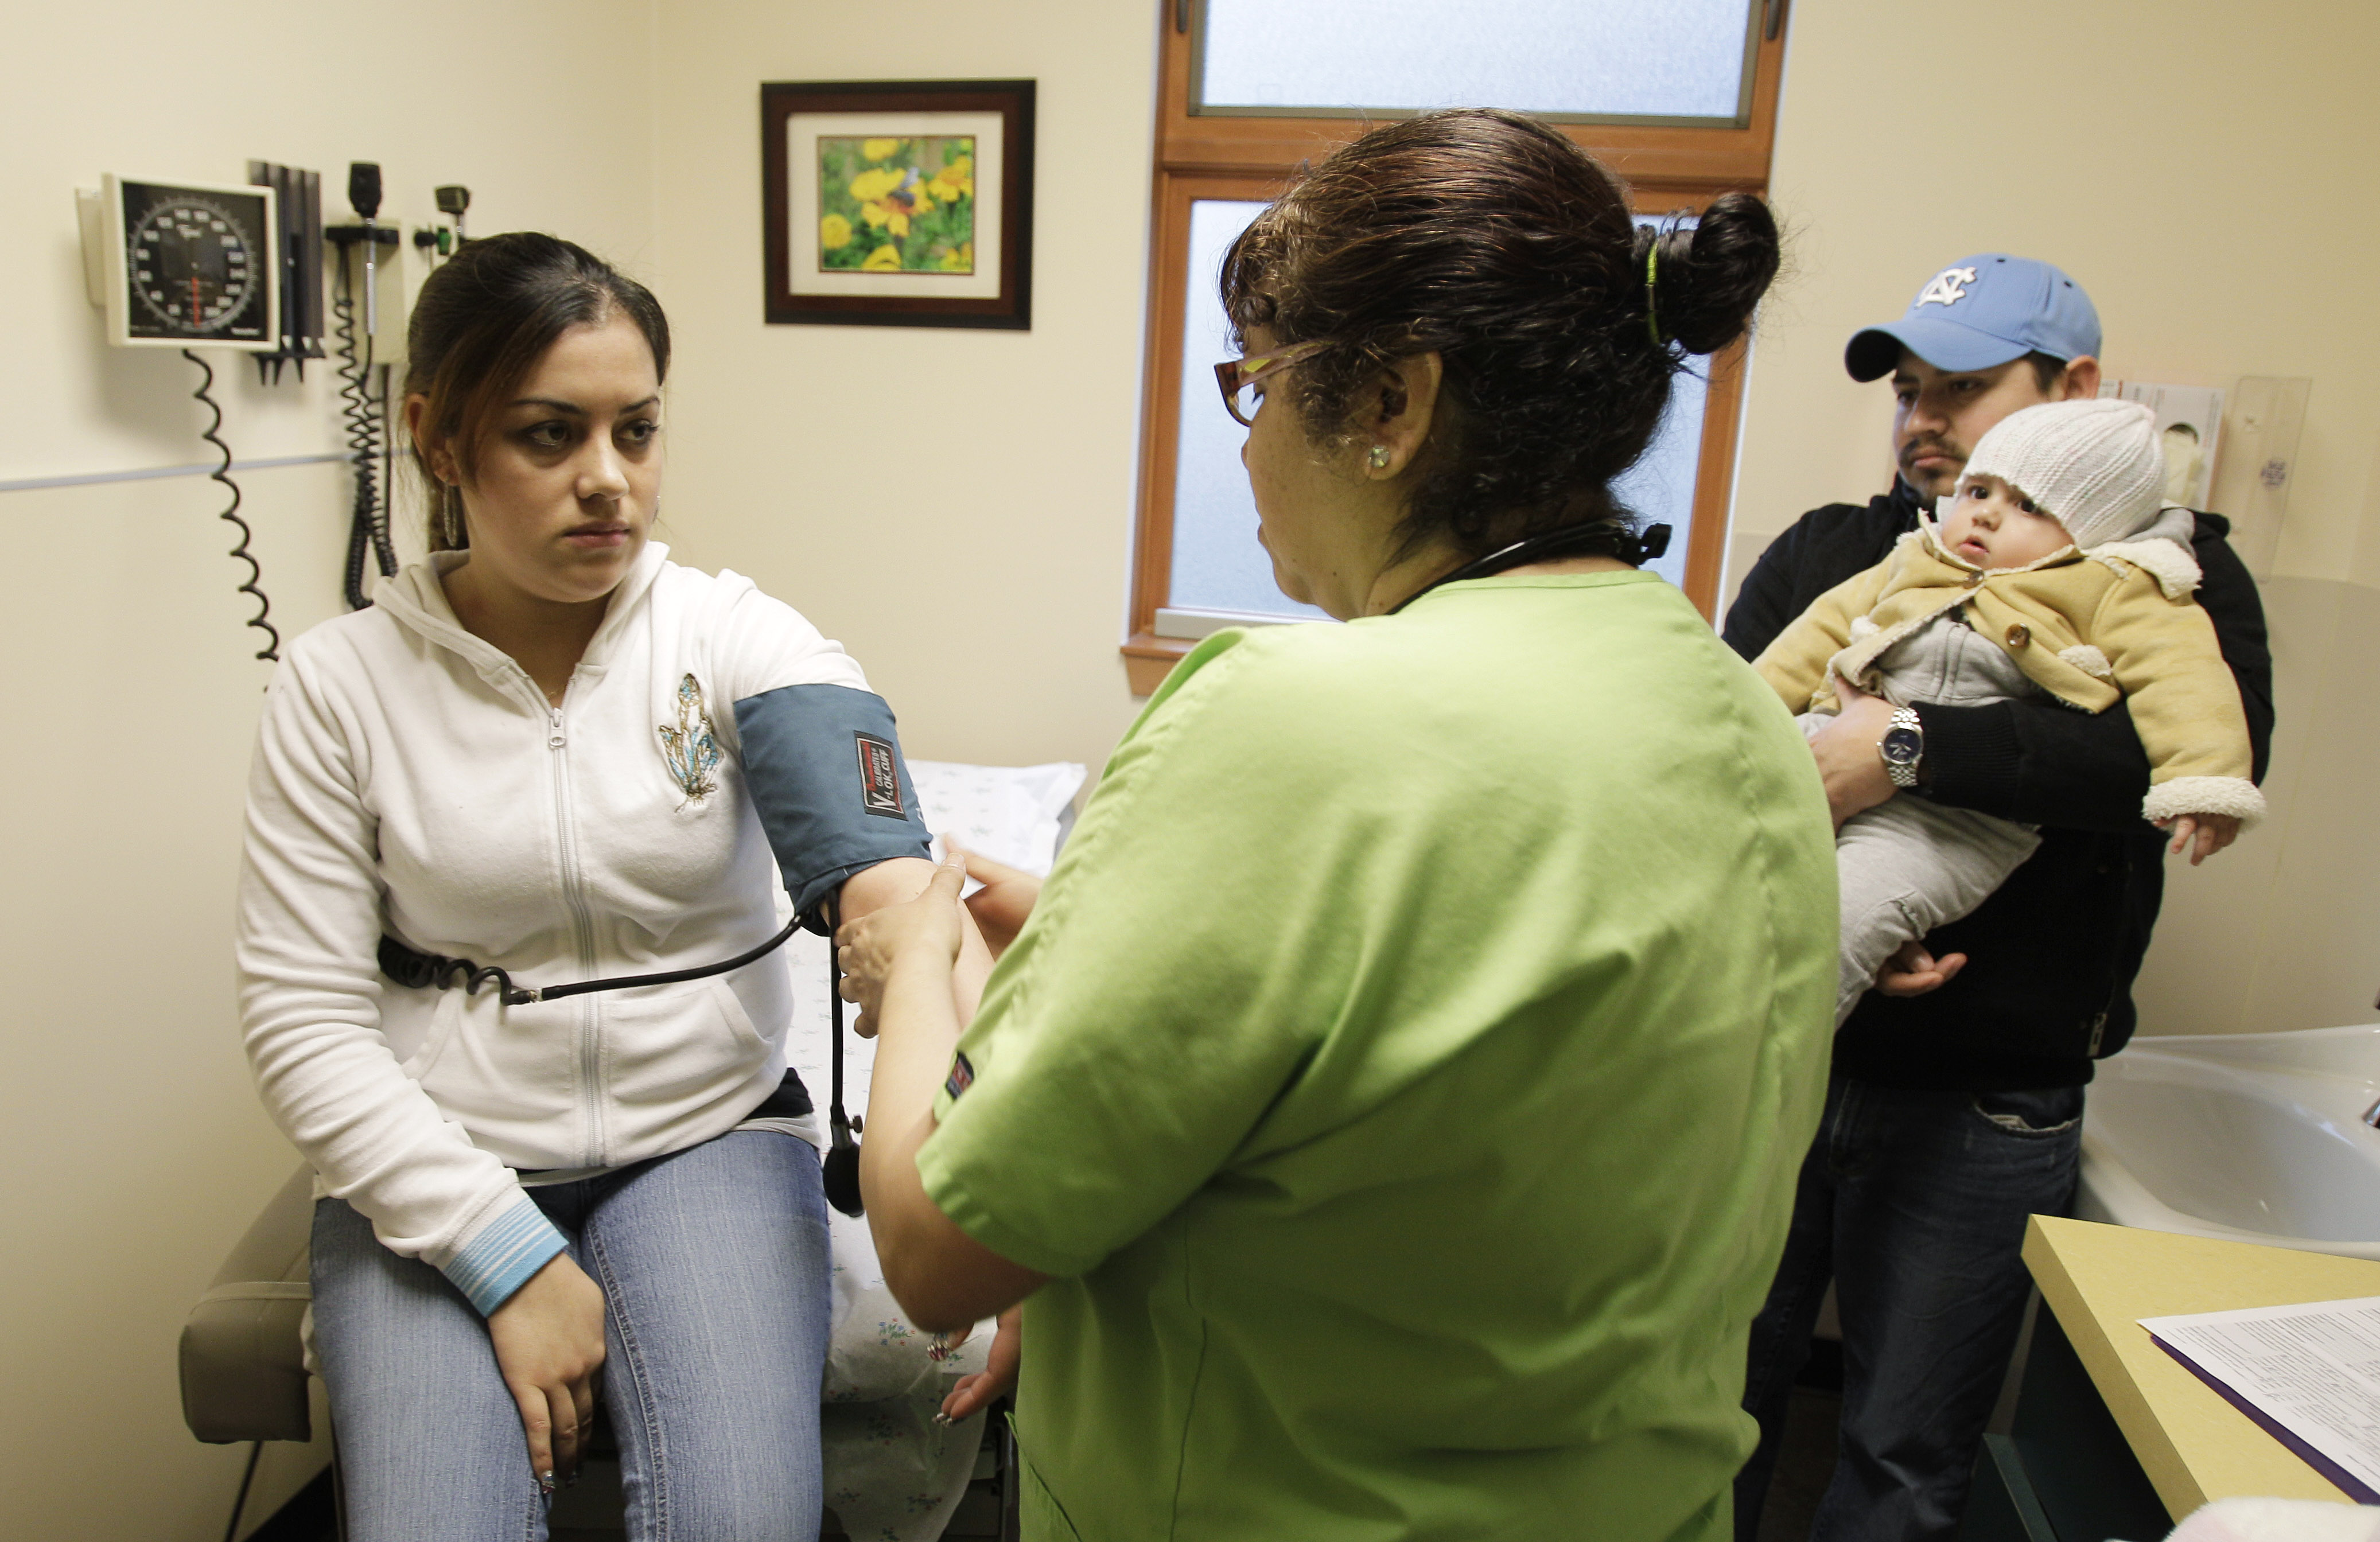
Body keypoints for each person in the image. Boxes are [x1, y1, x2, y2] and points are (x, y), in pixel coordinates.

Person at [834, 110, 1837, 1541]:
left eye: (1255, 389)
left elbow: (936, 1247)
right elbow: (1462, 1083)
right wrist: (1084, 940)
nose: (1242, 452)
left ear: (1388, 405)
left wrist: (920, 958)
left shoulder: (1291, 719)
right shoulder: (1738, 718)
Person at [234, 232, 982, 1541]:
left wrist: (992, 1187)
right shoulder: (336, 686)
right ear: (440, 440)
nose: (608, 482)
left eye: (636, 431)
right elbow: (302, 1024)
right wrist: (507, 1255)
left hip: (709, 1136)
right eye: (548, 435)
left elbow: (900, 904)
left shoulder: (741, 639)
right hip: (441, 1148)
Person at [1723, 256, 2274, 1541]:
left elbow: (2159, 766)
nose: (1924, 421)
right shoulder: (1842, 551)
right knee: (1712, 1401)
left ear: (2074, 388)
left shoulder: (2170, 579)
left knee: (1907, 1454)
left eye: (1962, 389)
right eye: (1910, 391)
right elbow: (1730, 735)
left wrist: (1904, 747)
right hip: (1783, 1062)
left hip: (1984, 1094)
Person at [1755, 398, 2264, 1026]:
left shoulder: (2119, 588)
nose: (1988, 515)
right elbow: (1814, 634)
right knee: (1714, 819)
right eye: (1979, 491)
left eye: (2029, 506)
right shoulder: (1913, 556)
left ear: (2093, 533)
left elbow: (2186, 677)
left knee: (1849, 916)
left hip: (1956, 824)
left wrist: (2204, 780)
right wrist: (1753, 716)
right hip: (1828, 733)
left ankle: (1753, 1070)